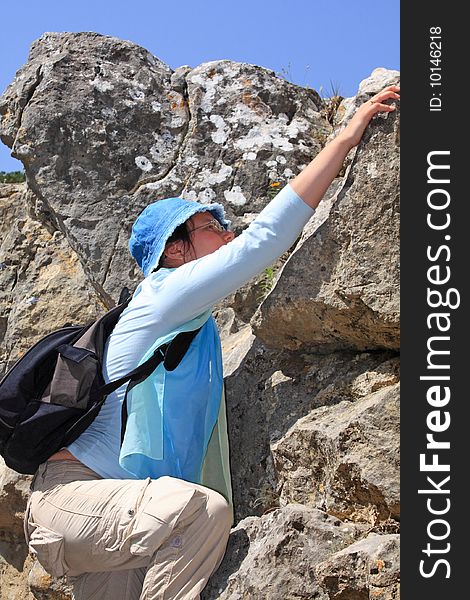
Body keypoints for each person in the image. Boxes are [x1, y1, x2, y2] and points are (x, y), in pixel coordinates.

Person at [24, 85, 400, 600]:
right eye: (210, 226)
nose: (225, 233)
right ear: (174, 251)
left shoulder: (191, 329)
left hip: (119, 519)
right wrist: (344, 138)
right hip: (74, 500)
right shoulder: (163, 296)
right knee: (201, 511)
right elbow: (260, 243)